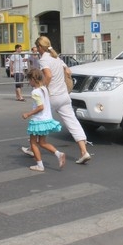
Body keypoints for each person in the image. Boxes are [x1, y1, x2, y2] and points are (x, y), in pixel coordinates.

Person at [22, 36, 92, 164]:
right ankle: (84, 151)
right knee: (73, 122)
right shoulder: (56, 57)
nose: (36, 49)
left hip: (52, 96)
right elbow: (68, 70)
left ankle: (33, 147)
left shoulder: (44, 59)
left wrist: (42, 87)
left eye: (36, 47)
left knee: (38, 120)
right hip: (64, 95)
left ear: (39, 47)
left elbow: (48, 75)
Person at [21, 69, 65, 172]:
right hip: (46, 120)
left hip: (38, 121)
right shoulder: (44, 89)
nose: (29, 83)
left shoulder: (35, 92)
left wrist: (28, 114)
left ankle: (40, 165)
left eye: (29, 80)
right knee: (42, 142)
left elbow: (40, 107)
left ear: (33, 79)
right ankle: (58, 154)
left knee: (33, 142)